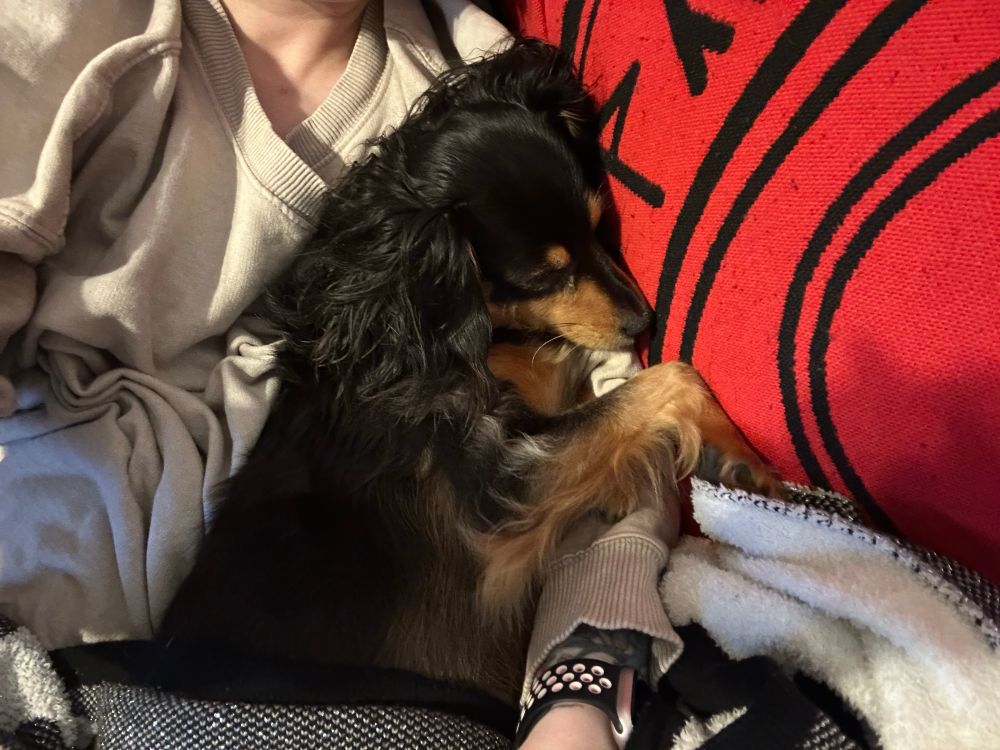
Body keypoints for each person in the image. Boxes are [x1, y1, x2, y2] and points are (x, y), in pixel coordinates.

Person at [0, 1, 676, 747]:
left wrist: (579, 682)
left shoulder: (469, 97)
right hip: (44, 589)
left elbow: (613, 417)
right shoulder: (83, 24)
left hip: (338, 623)